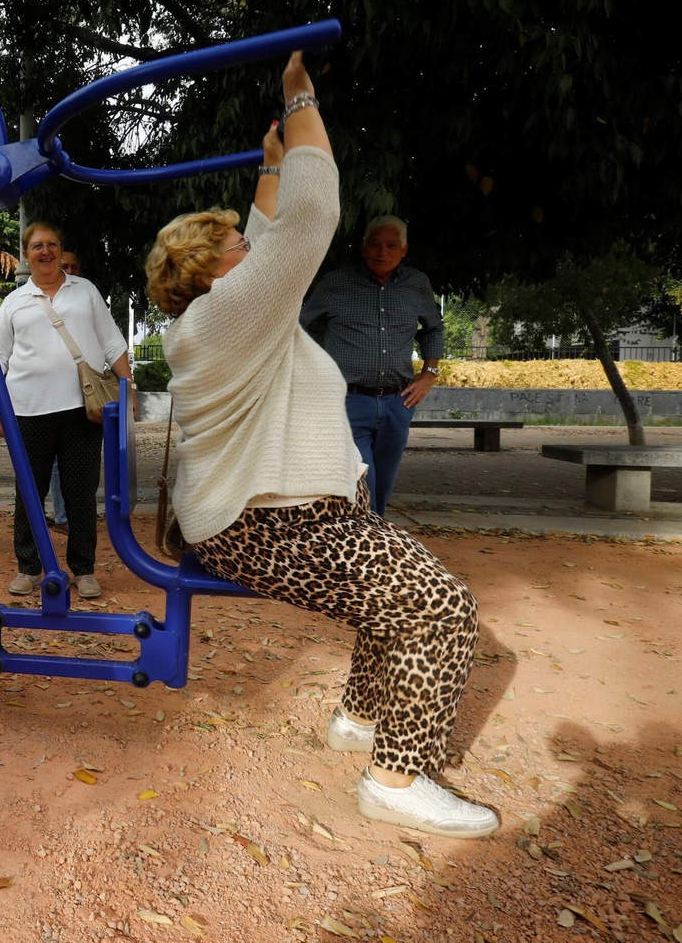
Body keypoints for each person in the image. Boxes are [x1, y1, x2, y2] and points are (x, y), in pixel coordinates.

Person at [142, 52, 496, 839]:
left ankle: (359, 723)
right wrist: (299, 98)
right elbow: (307, 222)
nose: (251, 246)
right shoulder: (225, 316)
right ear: (212, 269)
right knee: (441, 605)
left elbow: (270, 227)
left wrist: (269, 167)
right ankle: (396, 781)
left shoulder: (230, 312)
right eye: (236, 243)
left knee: (395, 590)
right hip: (266, 521)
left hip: (308, 511)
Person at [0, 223, 130, 600]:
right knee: (28, 491)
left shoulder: (86, 292)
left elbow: (112, 342)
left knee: (81, 492)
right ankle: (28, 568)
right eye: (37, 246)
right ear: (26, 254)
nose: (45, 251)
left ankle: (83, 570)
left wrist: (127, 388)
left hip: (83, 411)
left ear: (61, 249)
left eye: (52, 244)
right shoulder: (14, 300)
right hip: (28, 411)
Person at [300, 215, 443, 516]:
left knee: (384, 480)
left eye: (392, 245)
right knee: (360, 478)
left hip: (398, 401)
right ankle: (370, 537)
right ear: (363, 248)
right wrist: (315, 368)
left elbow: (433, 328)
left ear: (404, 250)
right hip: (348, 400)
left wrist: (429, 374)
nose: (382, 252)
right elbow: (300, 327)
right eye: (375, 244)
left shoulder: (417, 285)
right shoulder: (335, 284)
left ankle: (372, 534)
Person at [46, 249, 84, 535]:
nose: (69, 270)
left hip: (82, 398)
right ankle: (61, 516)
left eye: (73, 266)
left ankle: (69, 514)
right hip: (44, 399)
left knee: (77, 463)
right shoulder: (34, 300)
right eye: (64, 266)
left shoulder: (86, 300)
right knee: (52, 463)